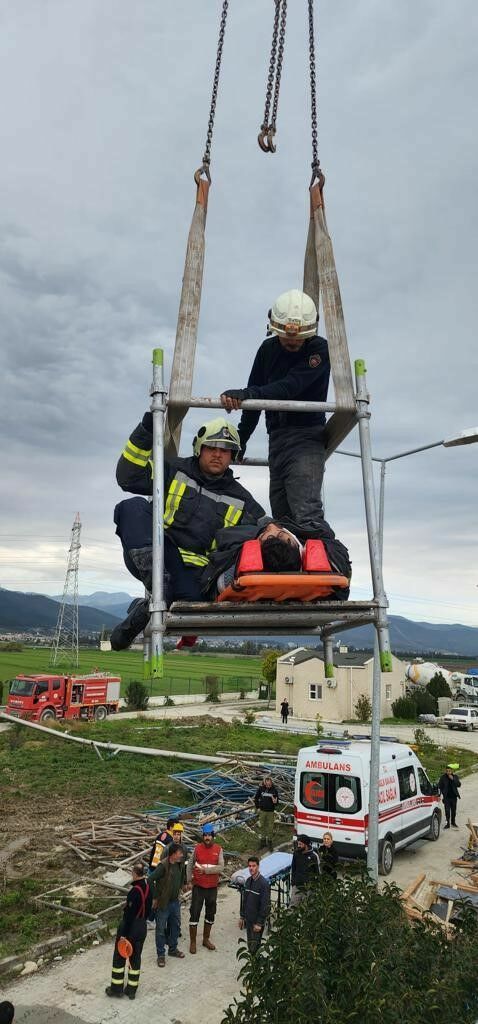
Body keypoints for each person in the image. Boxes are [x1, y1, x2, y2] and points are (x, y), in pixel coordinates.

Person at [112, 415, 265, 650]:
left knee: (179, 593)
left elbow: (266, 528)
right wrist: (146, 428)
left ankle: (152, 603)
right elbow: (127, 477)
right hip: (156, 556)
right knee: (131, 507)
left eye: (225, 450)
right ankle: (159, 588)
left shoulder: (243, 500)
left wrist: (277, 530)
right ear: (199, 448)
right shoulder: (173, 469)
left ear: (232, 456)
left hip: (194, 579)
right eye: (211, 447)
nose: (217, 454)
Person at [221, 289, 330, 530]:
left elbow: (290, 387)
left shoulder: (319, 351)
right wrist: (243, 439)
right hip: (277, 440)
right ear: (275, 329)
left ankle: (327, 564)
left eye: (297, 339)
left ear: (309, 332)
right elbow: (254, 400)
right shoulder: (267, 350)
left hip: (306, 437)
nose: (292, 342)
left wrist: (249, 394)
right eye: (286, 338)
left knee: (306, 513)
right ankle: (288, 565)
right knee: (283, 518)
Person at [201, 516, 351, 601]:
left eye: (273, 535)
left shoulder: (234, 573)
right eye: (281, 535)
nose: (274, 529)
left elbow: (215, 581)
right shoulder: (332, 564)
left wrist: (263, 530)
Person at [105, 862, 152, 1000]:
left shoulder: (134, 892)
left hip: (131, 928)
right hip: (142, 927)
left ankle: (116, 988)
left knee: (120, 958)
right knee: (135, 958)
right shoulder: (149, 887)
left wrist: (123, 936)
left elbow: (129, 916)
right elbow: (149, 909)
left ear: (134, 874)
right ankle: (131, 990)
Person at [187, 822, 224, 953]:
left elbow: (221, 867)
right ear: (203, 836)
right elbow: (190, 864)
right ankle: (192, 942)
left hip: (212, 888)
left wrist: (207, 871)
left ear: (213, 836)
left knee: (210, 912)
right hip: (198, 887)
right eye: (205, 835)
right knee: (195, 913)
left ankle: (206, 939)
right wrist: (188, 880)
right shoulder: (197, 849)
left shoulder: (219, 849)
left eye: (209, 835)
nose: (207, 837)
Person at [149, 842, 187, 966]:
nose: (181, 855)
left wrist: (183, 884)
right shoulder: (163, 866)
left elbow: (183, 874)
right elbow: (149, 879)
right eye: (179, 853)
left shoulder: (179, 864)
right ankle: (161, 955)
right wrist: (155, 897)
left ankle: (172, 949)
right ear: (173, 854)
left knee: (176, 926)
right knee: (160, 929)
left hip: (175, 901)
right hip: (163, 903)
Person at [239, 856, 270, 954]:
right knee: (250, 945)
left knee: (255, 948)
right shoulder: (248, 881)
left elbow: (265, 905)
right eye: (249, 866)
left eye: (253, 866)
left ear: (258, 866)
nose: (251, 868)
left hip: (256, 922)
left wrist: (259, 923)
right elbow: (245, 900)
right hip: (248, 920)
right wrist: (242, 916)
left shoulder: (263, 884)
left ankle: (256, 967)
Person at [290, 835, 320, 906]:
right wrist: (293, 883)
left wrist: (314, 887)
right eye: (298, 844)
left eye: (300, 844)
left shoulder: (314, 856)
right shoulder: (296, 854)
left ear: (306, 845)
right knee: (291, 909)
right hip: (297, 887)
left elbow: (318, 873)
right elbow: (293, 869)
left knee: (306, 910)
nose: (298, 846)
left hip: (308, 889)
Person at [254, 776, 279, 850]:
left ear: (271, 783)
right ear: (265, 783)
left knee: (270, 828)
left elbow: (277, 802)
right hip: (262, 811)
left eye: (269, 784)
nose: (268, 786)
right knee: (262, 826)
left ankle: (270, 843)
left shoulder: (274, 790)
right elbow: (256, 798)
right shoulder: (261, 789)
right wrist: (257, 807)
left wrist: (275, 802)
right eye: (267, 784)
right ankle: (263, 842)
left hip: (270, 812)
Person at [438, 764, 461, 830]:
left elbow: (459, 785)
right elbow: (439, 786)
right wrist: (439, 795)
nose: (448, 772)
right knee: (447, 811)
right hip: (446, 797)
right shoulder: (443, 777)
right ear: (445, 771)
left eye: (449, 771)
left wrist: (453, 779)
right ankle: (447, 824)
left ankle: (453, 822)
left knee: (453, 811)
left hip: (454, 797)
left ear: (452, 771)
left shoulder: (455, 776)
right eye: (447, 771)